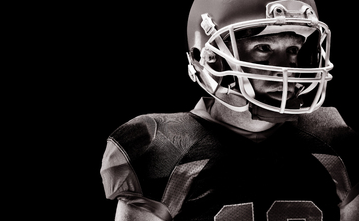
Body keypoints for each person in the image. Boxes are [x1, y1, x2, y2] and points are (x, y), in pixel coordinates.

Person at [100, 0, 359, 220]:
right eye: (263, 48)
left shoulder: (332, 139)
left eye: (293, 49)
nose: (286, 68)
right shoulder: (163, 146)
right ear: (210, 57)